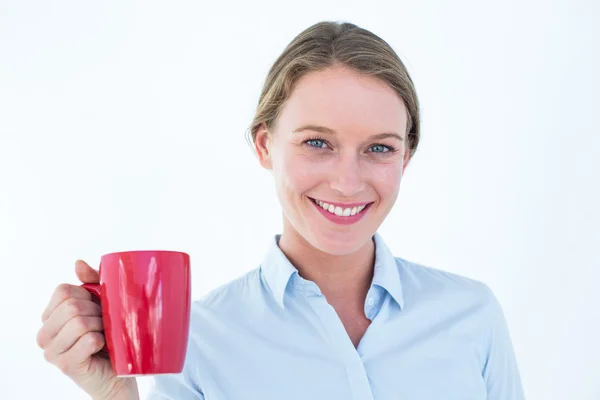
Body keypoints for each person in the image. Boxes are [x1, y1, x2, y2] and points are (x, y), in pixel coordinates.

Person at [36, 21, 525, 399]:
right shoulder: (199, 340)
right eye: (317, 142)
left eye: (379, 148)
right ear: (266, 146)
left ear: (406, 157)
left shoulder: (471, 316)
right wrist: (115, 395)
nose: (348, 181)